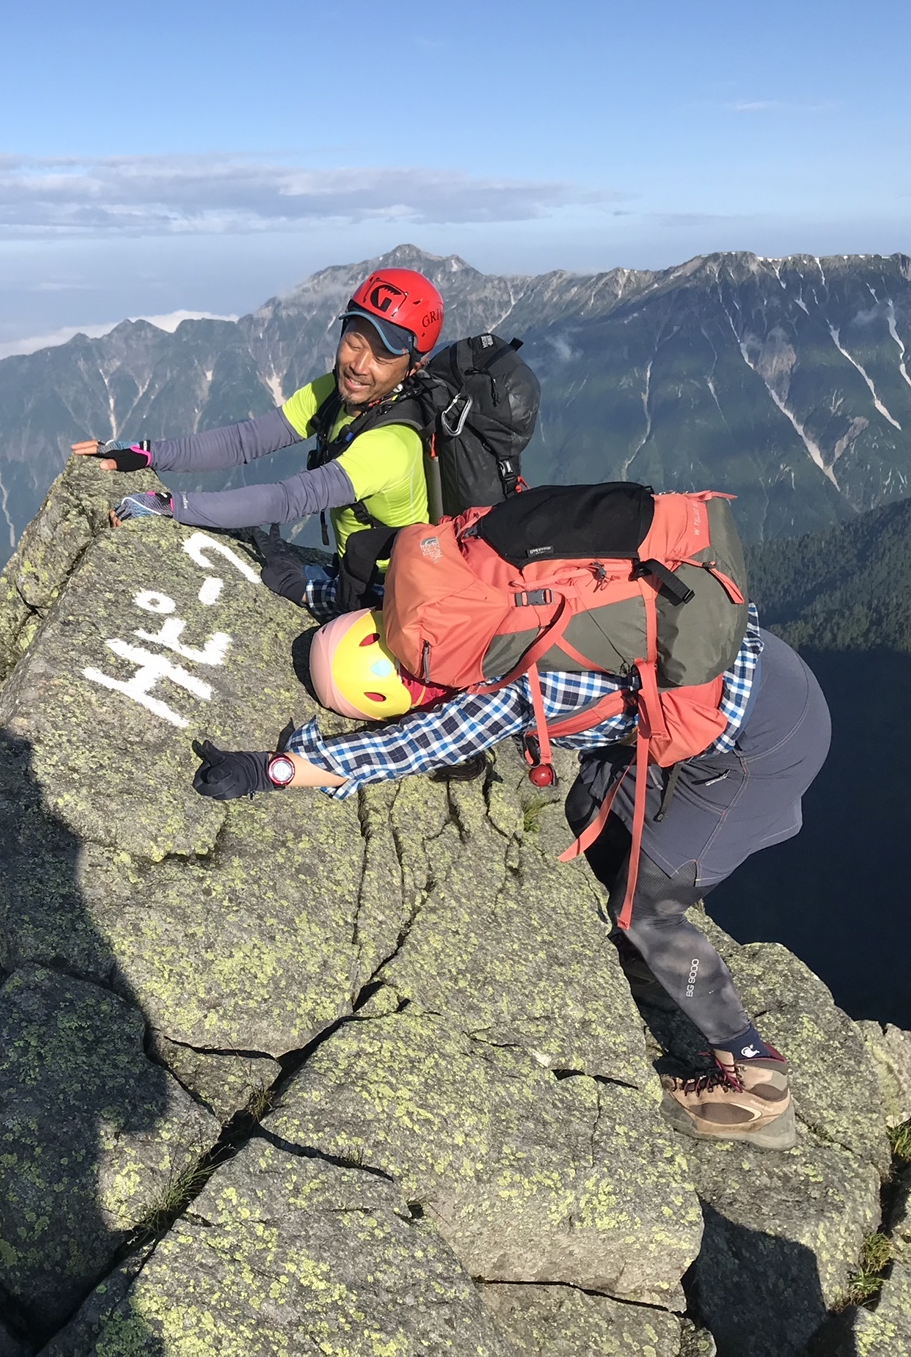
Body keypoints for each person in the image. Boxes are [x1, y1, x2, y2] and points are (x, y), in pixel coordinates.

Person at [190, 602, 831, 1152]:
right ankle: (651, 961)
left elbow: (405, 749)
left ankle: (753, 1075)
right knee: (591, 805)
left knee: (648, 908)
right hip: (754, 661)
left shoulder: (511, 689)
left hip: (765, 743)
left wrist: (269, 770)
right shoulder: (460, 602)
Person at [70, 268, 444, 615]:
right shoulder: (336, 390)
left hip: (396, 596)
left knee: (328, 659)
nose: (360, 365)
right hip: (354, 572)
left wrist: (170, 505)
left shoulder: (392, 443)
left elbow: (287, 499)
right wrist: (148, 452)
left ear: (413, 367)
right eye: (355, 342)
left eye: (383, 356)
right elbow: (245, 441)